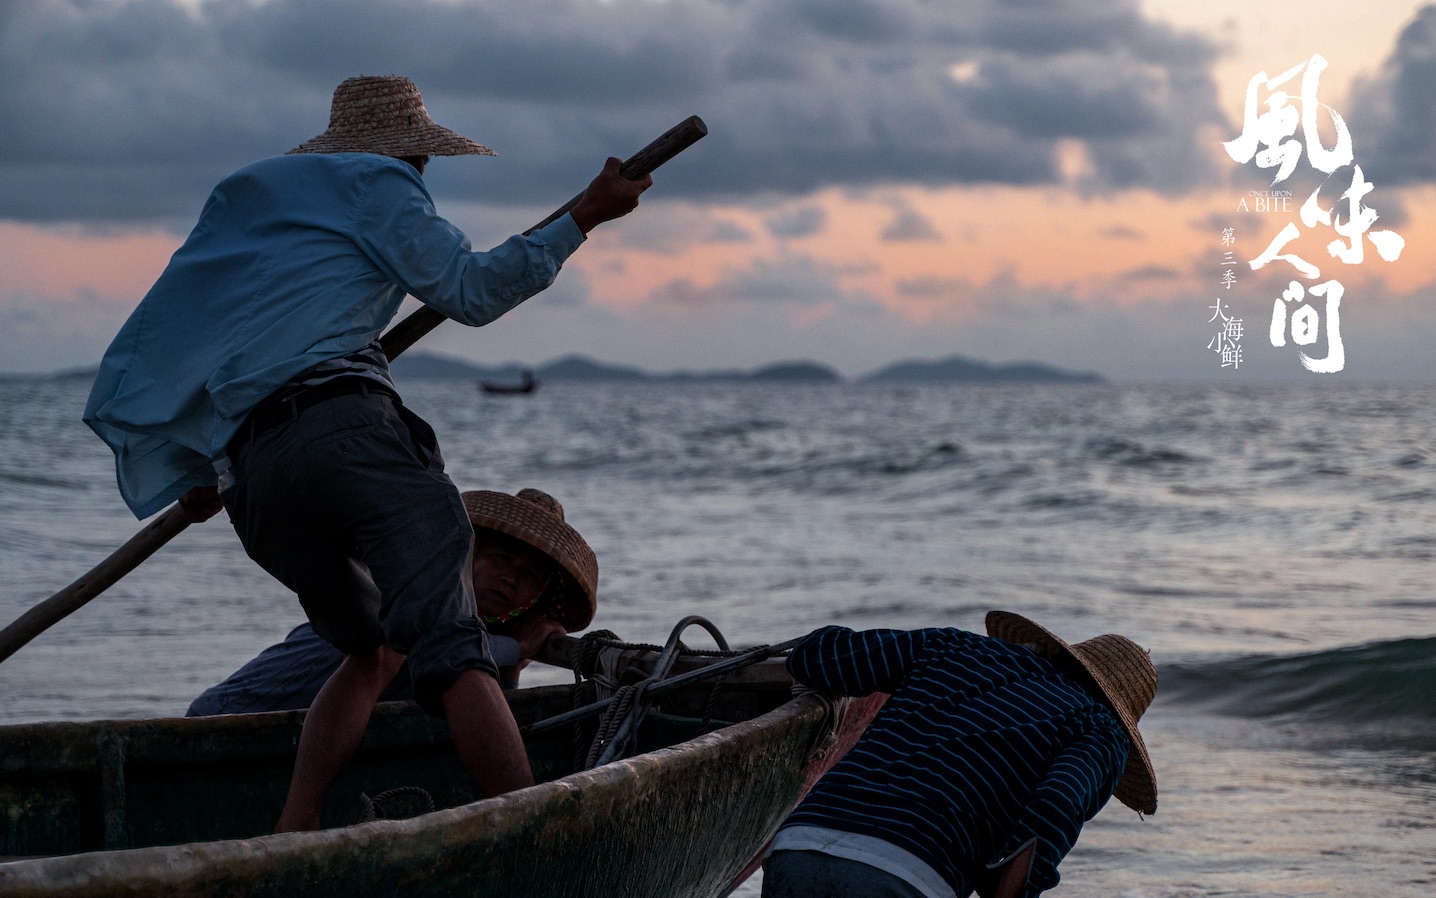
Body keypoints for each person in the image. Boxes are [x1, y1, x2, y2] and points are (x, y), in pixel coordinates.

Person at [83, 75, 648, 832]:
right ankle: (538, 833)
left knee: (373, 647)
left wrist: (205, 471)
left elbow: (204, 347)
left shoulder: (250, 210)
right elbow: (472, 291)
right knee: (451, 647)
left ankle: (296, 828)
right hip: (343, 430)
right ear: (411, 153)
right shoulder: (379, 180)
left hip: (255, 480)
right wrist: (586, 215)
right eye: (422, 164)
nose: (421, 177)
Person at [762, 611, 1158, 898]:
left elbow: (824, 657)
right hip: (910, 871)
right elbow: (1058, 802)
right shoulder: (1100, 728)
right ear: (1123, 718)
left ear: (1056, 654)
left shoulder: (954, 645)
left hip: (798, 847)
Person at [187, 488, 597, 715]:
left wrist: (514, 663)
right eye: (502, 559)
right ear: (468, 555)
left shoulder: (476, 648)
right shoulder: (409, 597)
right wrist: (514, 647)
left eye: (529, 576)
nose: (510, 578)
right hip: (223, 719)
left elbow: (483, 714)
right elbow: (428, 644)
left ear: (537, 598)